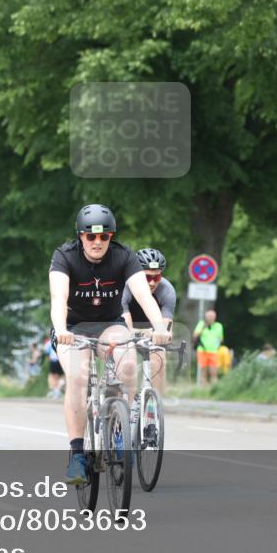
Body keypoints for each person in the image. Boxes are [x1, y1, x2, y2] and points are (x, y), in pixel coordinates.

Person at [49, 204, 170, 485]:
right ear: (80, 237)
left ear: (111, 237)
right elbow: (58, 298)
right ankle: (78, 454)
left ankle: (119, 431)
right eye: (90, 237)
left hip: (109, 324)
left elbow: (144, 295)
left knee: (127, 365)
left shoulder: (124, 256)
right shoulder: (64, 256)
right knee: (78, 377)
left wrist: (160, 326)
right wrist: (60, 329)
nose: (97, 242)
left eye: (104, 236)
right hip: (72, 327)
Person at [121, 247, 176, 400]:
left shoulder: (167, 290)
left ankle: (155, 402)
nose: (152, 282)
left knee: (159, 352)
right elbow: (126, 328)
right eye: (147, 278)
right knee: (126, 354)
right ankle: (124, 401)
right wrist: (146, 332)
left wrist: (164, 334)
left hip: (151, 328)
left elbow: (165, 328)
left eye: (156, 277)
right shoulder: (124, 288)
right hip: (124, 325)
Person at [193, 309, 224, 385]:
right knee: (203, 371)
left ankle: (214, 389)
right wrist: (204, 327)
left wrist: (218, 344)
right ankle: (203, 390)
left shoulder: (219, 326)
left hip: (214, 351)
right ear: (206, 317)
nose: (210, 318)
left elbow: (221, 339)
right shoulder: (201, 324)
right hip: (202, 351)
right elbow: (195, 336)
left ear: (215, 317)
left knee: (213, 371)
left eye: (212, 316)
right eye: (209, 316)